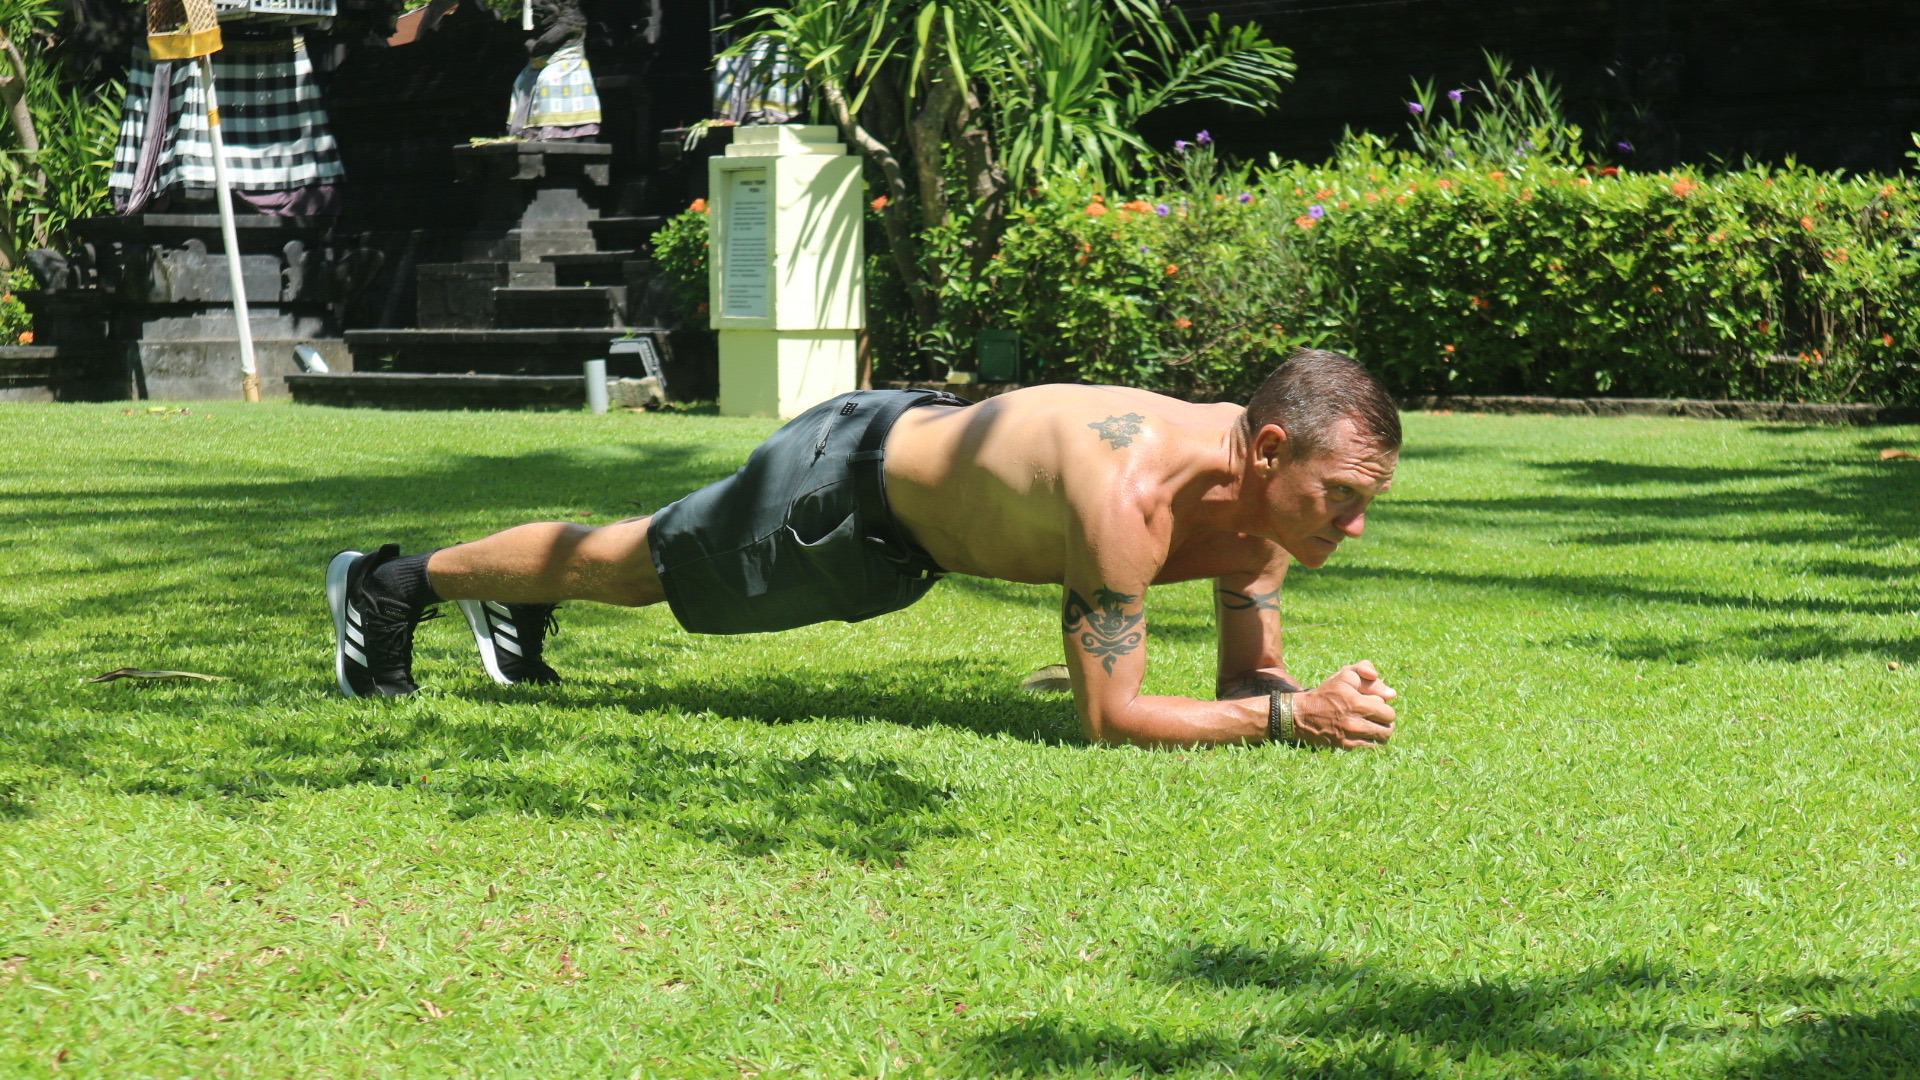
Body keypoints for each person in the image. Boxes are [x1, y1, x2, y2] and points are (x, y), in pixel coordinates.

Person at [326, 349, 1401, 749]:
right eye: (1340, 499)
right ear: (1267, 448)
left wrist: (1311, 703)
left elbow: (1246, 681)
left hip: (904, 515)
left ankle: (512, 608)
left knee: (636, 564)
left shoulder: (1260, 523)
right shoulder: (1130, 494)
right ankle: (391, 585)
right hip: (839, 490)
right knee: (637, 566)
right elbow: (1111, 719)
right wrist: (1288, 718)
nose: (1350, 529)